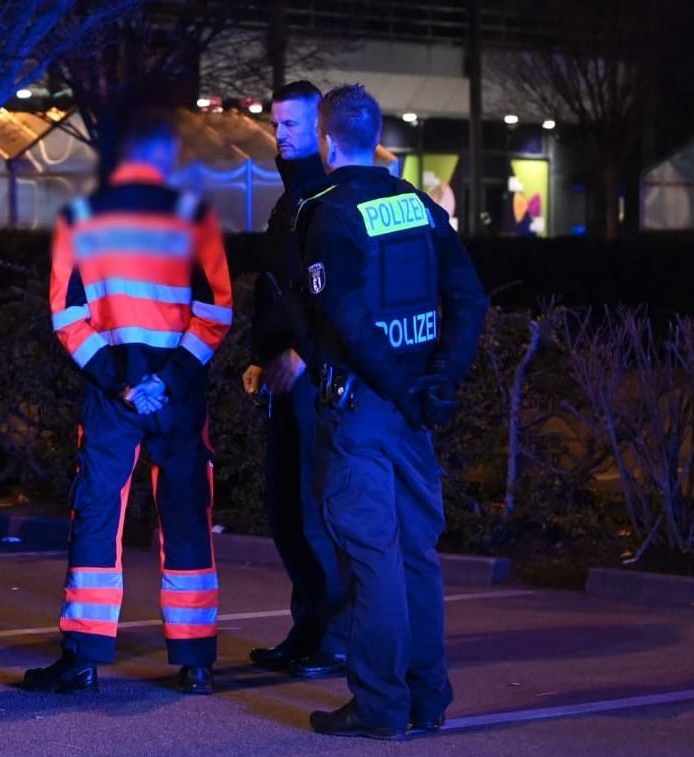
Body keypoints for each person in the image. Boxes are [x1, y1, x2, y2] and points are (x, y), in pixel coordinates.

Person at [22, 109, 233, 696]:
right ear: (166, 159)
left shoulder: (82, 217)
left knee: (97, 515)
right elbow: (215, 311)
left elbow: (67, 315)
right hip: (178, 395)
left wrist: (121, 379)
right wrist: (168, 380)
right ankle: (196, 663)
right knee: (186, 514)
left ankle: (84, 656)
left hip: (114, 396)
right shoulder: (194, 218)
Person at [299, 85, 487, 740]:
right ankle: (427, 697)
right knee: (417, 554)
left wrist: (405, 389)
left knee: (372, 555)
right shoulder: (419, 207)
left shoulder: (328, 214)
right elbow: (470, 297)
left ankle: (379, 704)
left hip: (366, 409)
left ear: (326, 142)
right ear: (377, 137)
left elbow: (345, 317)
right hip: (414, 410)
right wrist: (442, 378)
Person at [242, 80, 352, 681]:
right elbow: (280, 291)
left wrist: (303, 359)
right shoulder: (291, 201)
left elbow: (336, 296)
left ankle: (334, 636)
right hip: (285, 375)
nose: (279, 134)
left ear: (321, 131)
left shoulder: (325, 198)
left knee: (313, 511)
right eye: (275, 122)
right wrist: (264, 354)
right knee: (286, 510)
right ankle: (309, 627)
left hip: (311, 377)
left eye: (291, 125)